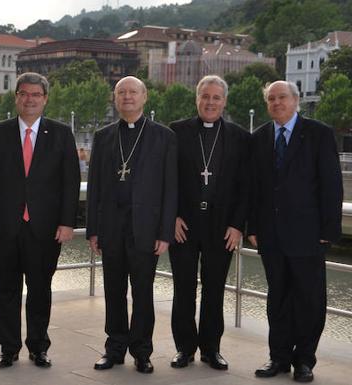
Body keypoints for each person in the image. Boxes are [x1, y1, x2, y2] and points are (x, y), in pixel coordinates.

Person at [0, 72, 80, 369]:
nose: (30, 99)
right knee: (5, 290)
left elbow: (70, 183)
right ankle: (8, 348)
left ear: (45, 99)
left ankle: (38, 347)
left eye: (36, 94)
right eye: (24, 93)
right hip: (3, 228)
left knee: (39, 290)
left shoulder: (61, 134)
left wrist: (67, 222)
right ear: (16, 97)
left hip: (45, 229)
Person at [249, 81, 342, 383]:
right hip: (271, 236)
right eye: (271, 99)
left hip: (308, 234)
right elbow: (254, 189)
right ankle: (278, 358)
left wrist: (329, 229)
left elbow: (331, 185)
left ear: (296, 100)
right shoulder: (260, 137)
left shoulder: (319, 134)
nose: (277, 103)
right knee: (277, 299)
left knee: (308, 300)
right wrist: (252, 227)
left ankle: (304, 360)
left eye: (282, 98)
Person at [86, 76, 177, 374]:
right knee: (113, 291)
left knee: (142, 293)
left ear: (144, 96)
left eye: (133, 92)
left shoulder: (163, 137)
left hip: (146, 230)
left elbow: (169, 189)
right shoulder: (103, 136)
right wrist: (93, 230)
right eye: (121, 92)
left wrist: (165, 233)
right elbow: (96, 187)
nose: (127, 97)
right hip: (111, 228)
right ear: (115, 98)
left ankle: (142, 351)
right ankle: (114, 349)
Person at [167, 75, 250, 371]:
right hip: (184, 225)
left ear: (224, 102)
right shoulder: (176, 132)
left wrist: (238, 224)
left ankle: (211, 349)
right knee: (183, 289)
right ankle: (184, 349)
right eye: (205, 96)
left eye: (216, 97)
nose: (210, 102)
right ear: (197, 99)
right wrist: (171, 216)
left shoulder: (240, 137)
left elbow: (245, 186)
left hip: (221, 227)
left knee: (214, 290)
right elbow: (167, 180)